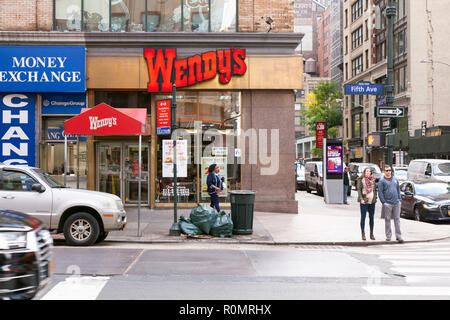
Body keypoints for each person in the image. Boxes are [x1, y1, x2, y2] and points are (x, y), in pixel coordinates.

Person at [378, 165, 403, 243]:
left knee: (397, 220)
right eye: (386, 170)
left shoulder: (395, 179)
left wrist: (399, 199)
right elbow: (380, 192)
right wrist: (383, 202)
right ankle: (388, 236)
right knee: (388, 220)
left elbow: (398, 189)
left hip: (396, 203)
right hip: (387, 203)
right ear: (384, 172)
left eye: (389, 170)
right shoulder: (382, 181)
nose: (388, 172)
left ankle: (399, 236)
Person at [356, 167, 378, 241]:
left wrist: (375, 198)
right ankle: (363, 233)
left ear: (371, 173)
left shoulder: (373, 180)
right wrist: (361, 199)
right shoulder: (361, 180)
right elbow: (359, 190)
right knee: (363, 217)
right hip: (364, 201)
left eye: (369, 171)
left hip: (372, 202)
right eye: (367, 171)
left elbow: (375, 190)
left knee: (371, 218)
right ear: (364, 172)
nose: (368, 172)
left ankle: (371, 233)